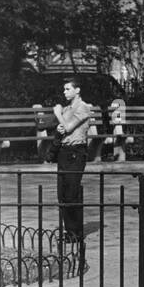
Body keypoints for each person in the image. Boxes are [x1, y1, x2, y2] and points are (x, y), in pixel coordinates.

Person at [53, 78, 97, 241]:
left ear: (77, 90)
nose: (64, 92)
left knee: (72, 193)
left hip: (76, 153)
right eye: (64, 89)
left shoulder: (84, 108)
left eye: (68, 89)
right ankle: (69, 231)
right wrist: (60, 121)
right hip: (64, 152)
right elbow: (61, 128)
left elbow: (68, 127)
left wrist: (58, 115)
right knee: (62, 194)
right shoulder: (66, 108)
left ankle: (76, 232)